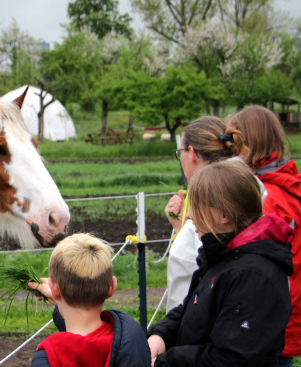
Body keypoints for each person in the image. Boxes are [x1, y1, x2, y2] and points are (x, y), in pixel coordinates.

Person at [148, 160, 293, 366]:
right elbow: (193, 308)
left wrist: (165, 362)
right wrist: (160, 336)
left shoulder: (254, 276)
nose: (188, 215)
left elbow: (232, 358)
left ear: (224, 214)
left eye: (196, 206)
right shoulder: (222, 255)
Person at [227, 105, 301, 367]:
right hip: (284, 315)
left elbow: (249, 263)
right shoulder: (286, 185)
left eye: (232, 141)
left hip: (265, 321)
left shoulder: (266, 196)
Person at [164, 116, 249, 311]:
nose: (189, 215)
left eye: (180, 152)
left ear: (192, 153)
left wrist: (183, 235)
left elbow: (189, 269)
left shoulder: (210, 205)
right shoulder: (248, 189)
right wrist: (180, 228)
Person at [27, 233, 150, 367]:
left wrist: (61, 296)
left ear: (55, 289)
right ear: (112, 286)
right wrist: (59, 298)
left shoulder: (48, 358)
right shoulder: (134, 339)